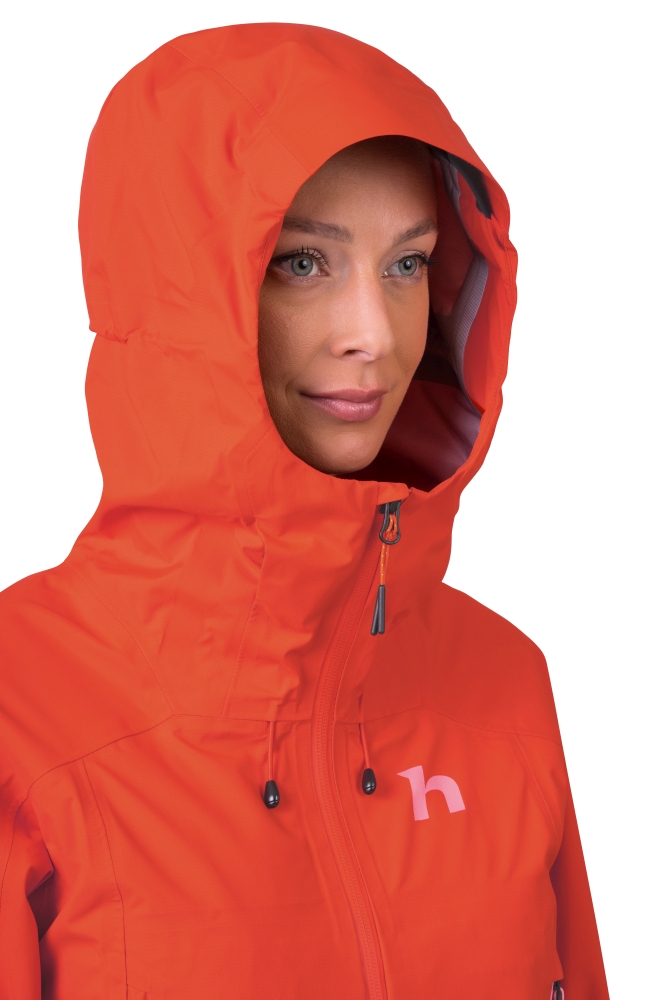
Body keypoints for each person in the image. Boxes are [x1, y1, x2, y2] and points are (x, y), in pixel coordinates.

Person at [0, 22, 609, 1000]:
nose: (374, 334)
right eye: (301, 263)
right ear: (177, 298)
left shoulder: (504, 684)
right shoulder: (22, 709)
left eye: (407, 265)